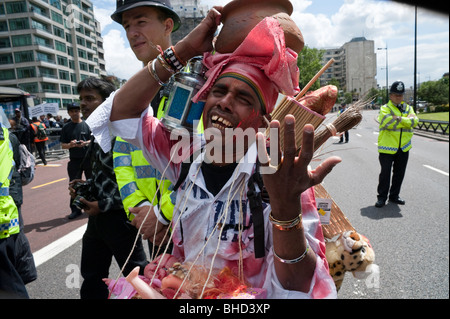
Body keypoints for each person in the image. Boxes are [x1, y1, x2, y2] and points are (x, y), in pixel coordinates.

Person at [87, 9, 340, 298]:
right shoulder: (184, 154)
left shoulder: (277, 176)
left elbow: (301, 287)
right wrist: (184, 50)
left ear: (261, 120)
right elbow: (122, 112)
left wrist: (284, 211)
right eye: (218, 91)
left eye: (244, 98)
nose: (225, 102)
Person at [110, 0, 180, 256]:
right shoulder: (130, 95)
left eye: (140, 22)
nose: (131, 33)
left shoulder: (197, 83)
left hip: (194, 221)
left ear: (167, 25)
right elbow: (121, 158)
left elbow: (204, 159)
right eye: (127, 26)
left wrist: (163, 214)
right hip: (151, 225)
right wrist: (139, 209)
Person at [68, 77, 148, 299]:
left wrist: (102, 204)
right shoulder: (98, 133)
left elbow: (135, 182)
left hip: (121, 220)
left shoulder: (124, 134)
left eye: (90, 99)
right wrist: (85, 187)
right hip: (97, 221)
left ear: (107, 102)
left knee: (138, 277)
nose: (83, 104)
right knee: (92, 276)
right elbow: (104, 177)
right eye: (81, 99)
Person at [0, 114, 36, 298]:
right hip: (7, 212)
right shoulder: (7, 136)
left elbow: (15, 174)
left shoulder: (9, 138)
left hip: (6, 213)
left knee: (9, 283)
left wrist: (15, 201)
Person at [375, 81, 418, 208]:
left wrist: (398, 118)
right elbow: (387, 122)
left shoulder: (409, 108)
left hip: (404, 147)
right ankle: (381, 198)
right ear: (390, 96)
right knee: (385, 174)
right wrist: (405, 120)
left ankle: (394, 196)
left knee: (399, 173)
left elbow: (414, 122)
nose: (399, 97)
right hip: (387, 148)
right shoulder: (385, 108)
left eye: (400, 95)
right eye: (396, 95)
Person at [60, 102, 92, 219]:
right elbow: (63, 145)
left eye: (77, 110)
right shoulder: (66, 127)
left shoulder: (88, 124)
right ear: (68, 113)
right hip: (74, 161)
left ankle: (93, 206)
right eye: (72, 111)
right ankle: (75, 210)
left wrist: (85, 143)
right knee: (75, 186)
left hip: (89, 159)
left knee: (92, 182)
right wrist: (71, 145)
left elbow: (93, 140)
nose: (75, 113)